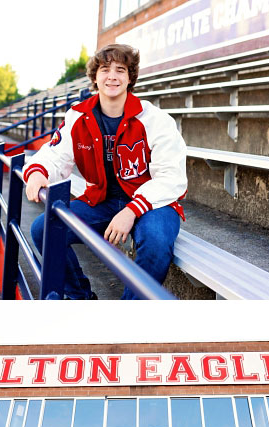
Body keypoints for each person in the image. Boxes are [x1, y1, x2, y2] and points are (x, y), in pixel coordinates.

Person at [23, 43, 187, 299]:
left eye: (121, 70)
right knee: (44, 228)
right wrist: (37, 171)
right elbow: (55, 155)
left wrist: (132, 210)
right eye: (105, 69)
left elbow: (172, 177)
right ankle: (81, 298)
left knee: (156, 242)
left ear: (130, 77)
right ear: (95, 77)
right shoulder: (79, 116)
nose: (112, 76)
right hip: (103, 200)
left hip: (153, 203)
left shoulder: (155, 119)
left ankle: (125, 322)